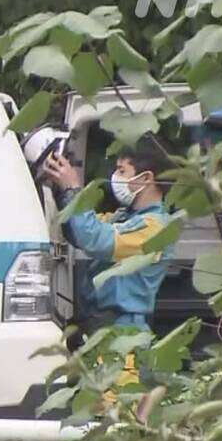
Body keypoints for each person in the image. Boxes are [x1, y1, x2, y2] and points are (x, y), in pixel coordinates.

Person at [42, 135, 175, 386]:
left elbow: (96, 239)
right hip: (101, 328)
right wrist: (62, 192)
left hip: (123, 335)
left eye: (122, 170)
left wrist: (73, 189)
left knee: (115, 412)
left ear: (146, 178)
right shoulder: (124, 217)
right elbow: (78, 231)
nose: (115, 177)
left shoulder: (154, 227)